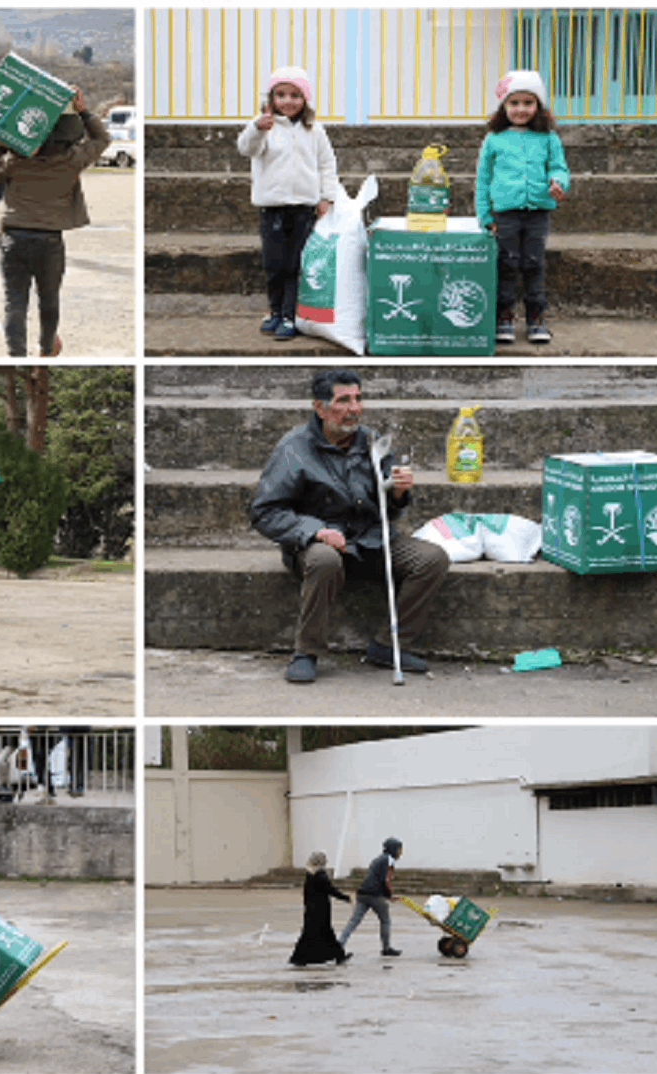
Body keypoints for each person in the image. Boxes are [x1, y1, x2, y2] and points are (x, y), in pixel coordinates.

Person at [247, 369, 448, 683]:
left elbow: (389, 510)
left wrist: (397, 492)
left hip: (370, 539)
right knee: (325, 560)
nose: (355, 408)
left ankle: (388, 646)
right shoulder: (294, 448)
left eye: (358, 398)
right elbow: (264, 511)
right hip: (318, 544)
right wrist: (314, 531)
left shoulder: (371, 441)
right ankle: (306, 651)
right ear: (320, 407)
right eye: (343, 400)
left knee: (431, 558)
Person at [0, 85, 111, 358]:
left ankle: (16, 355)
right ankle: (46, 348)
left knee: (14, 303)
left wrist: (6, 138)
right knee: (48, 300)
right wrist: (84, 111)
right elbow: (102, 139)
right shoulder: (72, 160)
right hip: (50, 240)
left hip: (13, 238)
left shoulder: (15, 160)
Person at [237, 66, 339, 341]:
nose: (288, 101)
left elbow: (326, 164)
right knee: (274, 263)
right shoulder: (263, 126)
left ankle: (289, 315)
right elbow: (247, 149)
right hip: (272, 209)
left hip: (303, 209)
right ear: (270, 98)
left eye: (295, 95)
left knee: (295, 264)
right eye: (281, 94)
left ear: (305, 99)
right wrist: (257, 129)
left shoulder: (314, 130)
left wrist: (326, 196)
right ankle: (274, 310)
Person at [475, 70, 571, 346]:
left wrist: (558, 183)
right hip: (504, 213)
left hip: (537, 213)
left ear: (538, 106)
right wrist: (484, 215)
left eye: (528, 103)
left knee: (533, 264)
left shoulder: (548, 138)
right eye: (513, 103)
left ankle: (536, 318)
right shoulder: (494, 139)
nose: (520, 109)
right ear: (504, 106)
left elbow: (558, 167)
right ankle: (503, 317)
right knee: (505, 264)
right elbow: (483, 180)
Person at [337, 837, 404, 958]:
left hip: (362, 893)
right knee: (385, 920)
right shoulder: (390, 860)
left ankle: (340, 945)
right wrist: (390, 895)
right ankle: (386, 948)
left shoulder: (378, 859)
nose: (401, 852)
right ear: (393, 849)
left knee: (354, 921)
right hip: (375, 895)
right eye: (400, 849)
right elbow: (386, 880)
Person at [289, 851, 352, 966]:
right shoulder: (320, 875)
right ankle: (338, 956)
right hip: (321, 911)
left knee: (310, 934)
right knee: (325, 933)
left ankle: (300, 958)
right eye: (325, 860)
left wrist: (307, 907)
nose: (327, 862)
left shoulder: (309, 874)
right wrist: (346, 898)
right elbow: (331, 890)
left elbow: (306, 894)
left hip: (311, 910)